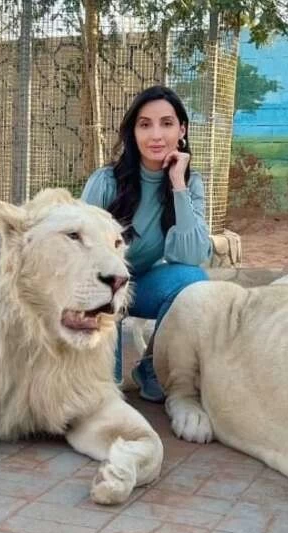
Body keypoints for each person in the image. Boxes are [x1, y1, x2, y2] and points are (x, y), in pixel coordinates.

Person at [81, 85, 212, 402]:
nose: (156, 135)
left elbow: (192, 255)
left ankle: (152, 366)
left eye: (166, 124)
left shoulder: (190, 183)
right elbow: (80, 254)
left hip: (139, 285)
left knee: (193, 281)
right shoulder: (106, 182)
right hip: (98, 287)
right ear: (133, 132)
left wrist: (178, 184)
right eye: (145, 124)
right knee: (104, 394)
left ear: (182, 130)